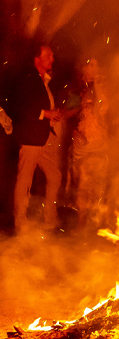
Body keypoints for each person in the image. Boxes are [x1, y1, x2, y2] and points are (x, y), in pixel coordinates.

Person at [11, 46, 65, 233]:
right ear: (37, 59)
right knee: (25, 179)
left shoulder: (44, 81)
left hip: (42, 138)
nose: (52, 59)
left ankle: (50, 218)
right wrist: (45, 114)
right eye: (48, 56)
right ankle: (20, 222)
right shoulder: (28, 78)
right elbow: (19, 107)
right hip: (30, 138)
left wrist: (53, 116)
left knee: (55, 176)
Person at [69, 59, 111, 230]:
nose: (95, 68)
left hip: (99, 143)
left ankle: (96, 223)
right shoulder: (77, 89)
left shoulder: (104, 86)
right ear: (84, 67)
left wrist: (99, 89)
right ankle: (82, 223)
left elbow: (105, 110)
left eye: (97, 64)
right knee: (83, 185)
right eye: (91, 64)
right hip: (82, 144)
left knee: (98, 185)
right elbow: (68, 113)